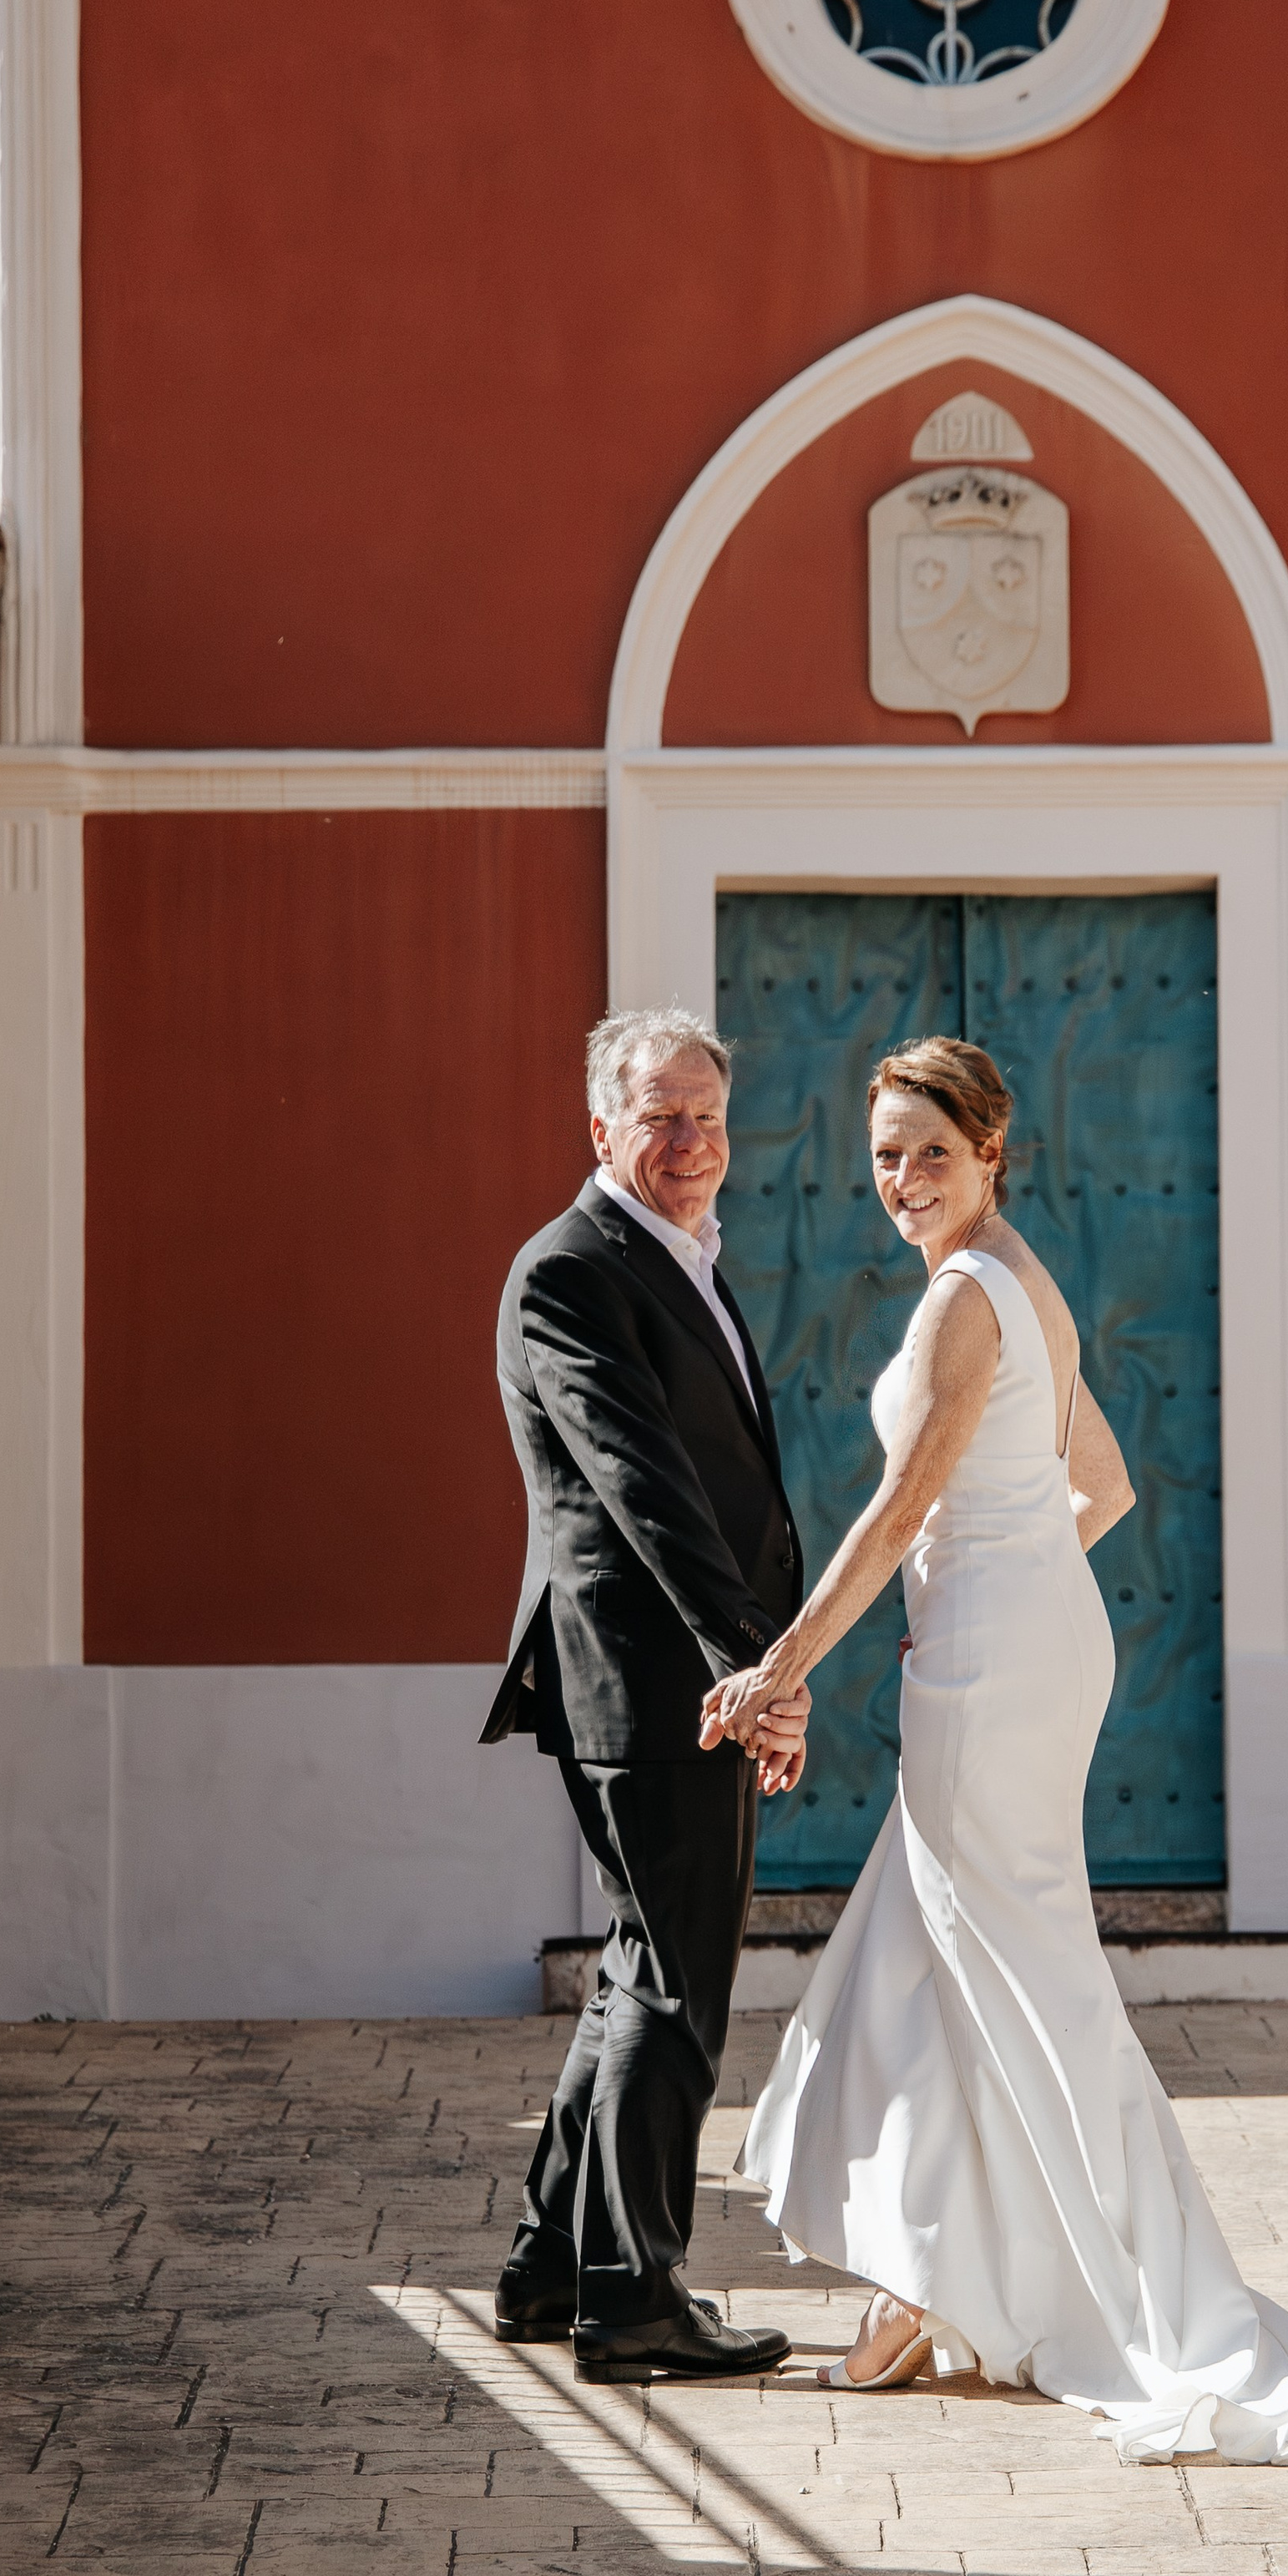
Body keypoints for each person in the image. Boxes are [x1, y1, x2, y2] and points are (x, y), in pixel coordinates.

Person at [705, 1038, 1288, 2466]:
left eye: (929, 1150)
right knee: (929, 1963)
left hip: (989, 1674)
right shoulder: (1027, 1284)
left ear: (992, 1151)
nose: (902, 1180)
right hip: (1030, 1648)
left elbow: (898, 1513)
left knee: (1021, 1983)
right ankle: (923, 2283)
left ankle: (1077, 2286)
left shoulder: (963, 1310)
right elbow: (1100, 1483)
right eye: (884, 1158)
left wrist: (783, 1667)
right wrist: (1011, 1577)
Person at [480, 1007, 810, 2383]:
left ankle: (555, 2271)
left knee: (638, 1972)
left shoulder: (672, 1255)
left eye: (710, 1119)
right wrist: (758, 1662)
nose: (691, 1145)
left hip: (683, 1673)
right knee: (677, 1990)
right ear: (600, 1128)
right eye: (661, 1117)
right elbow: (641, 1484)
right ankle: (636, 2302)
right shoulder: (571, 1271)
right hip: (661, 1679)